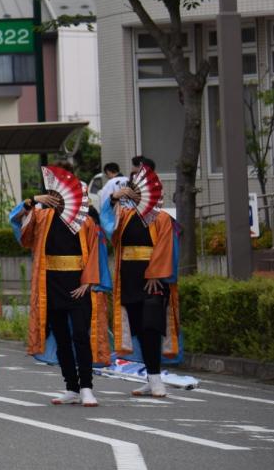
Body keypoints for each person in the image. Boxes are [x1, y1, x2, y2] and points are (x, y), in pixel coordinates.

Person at [10, 168, 111, 407]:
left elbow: (95, 253)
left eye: (59, 194)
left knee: (80, 335)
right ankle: (71, 387)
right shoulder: (42, 217)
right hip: (51, 284)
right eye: (52, 194)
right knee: (62, 338)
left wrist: (88, 281)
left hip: (79, 285)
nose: (56, 198)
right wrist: (32, 201)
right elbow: (18, 224)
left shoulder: (85, 221)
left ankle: (86, 386)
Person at [101, 168, 181, 398]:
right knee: (138, 328)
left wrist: (156, 274)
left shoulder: (162, 218)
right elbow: (108, 226)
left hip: (154, 280)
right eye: (134, 190)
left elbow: (166, 248)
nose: (137, 194)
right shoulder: (124, 216)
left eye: (140, 191)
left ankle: (156, 379)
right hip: (129, 276)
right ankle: (150, 378)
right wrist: (114, 197)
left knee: (151, 327)